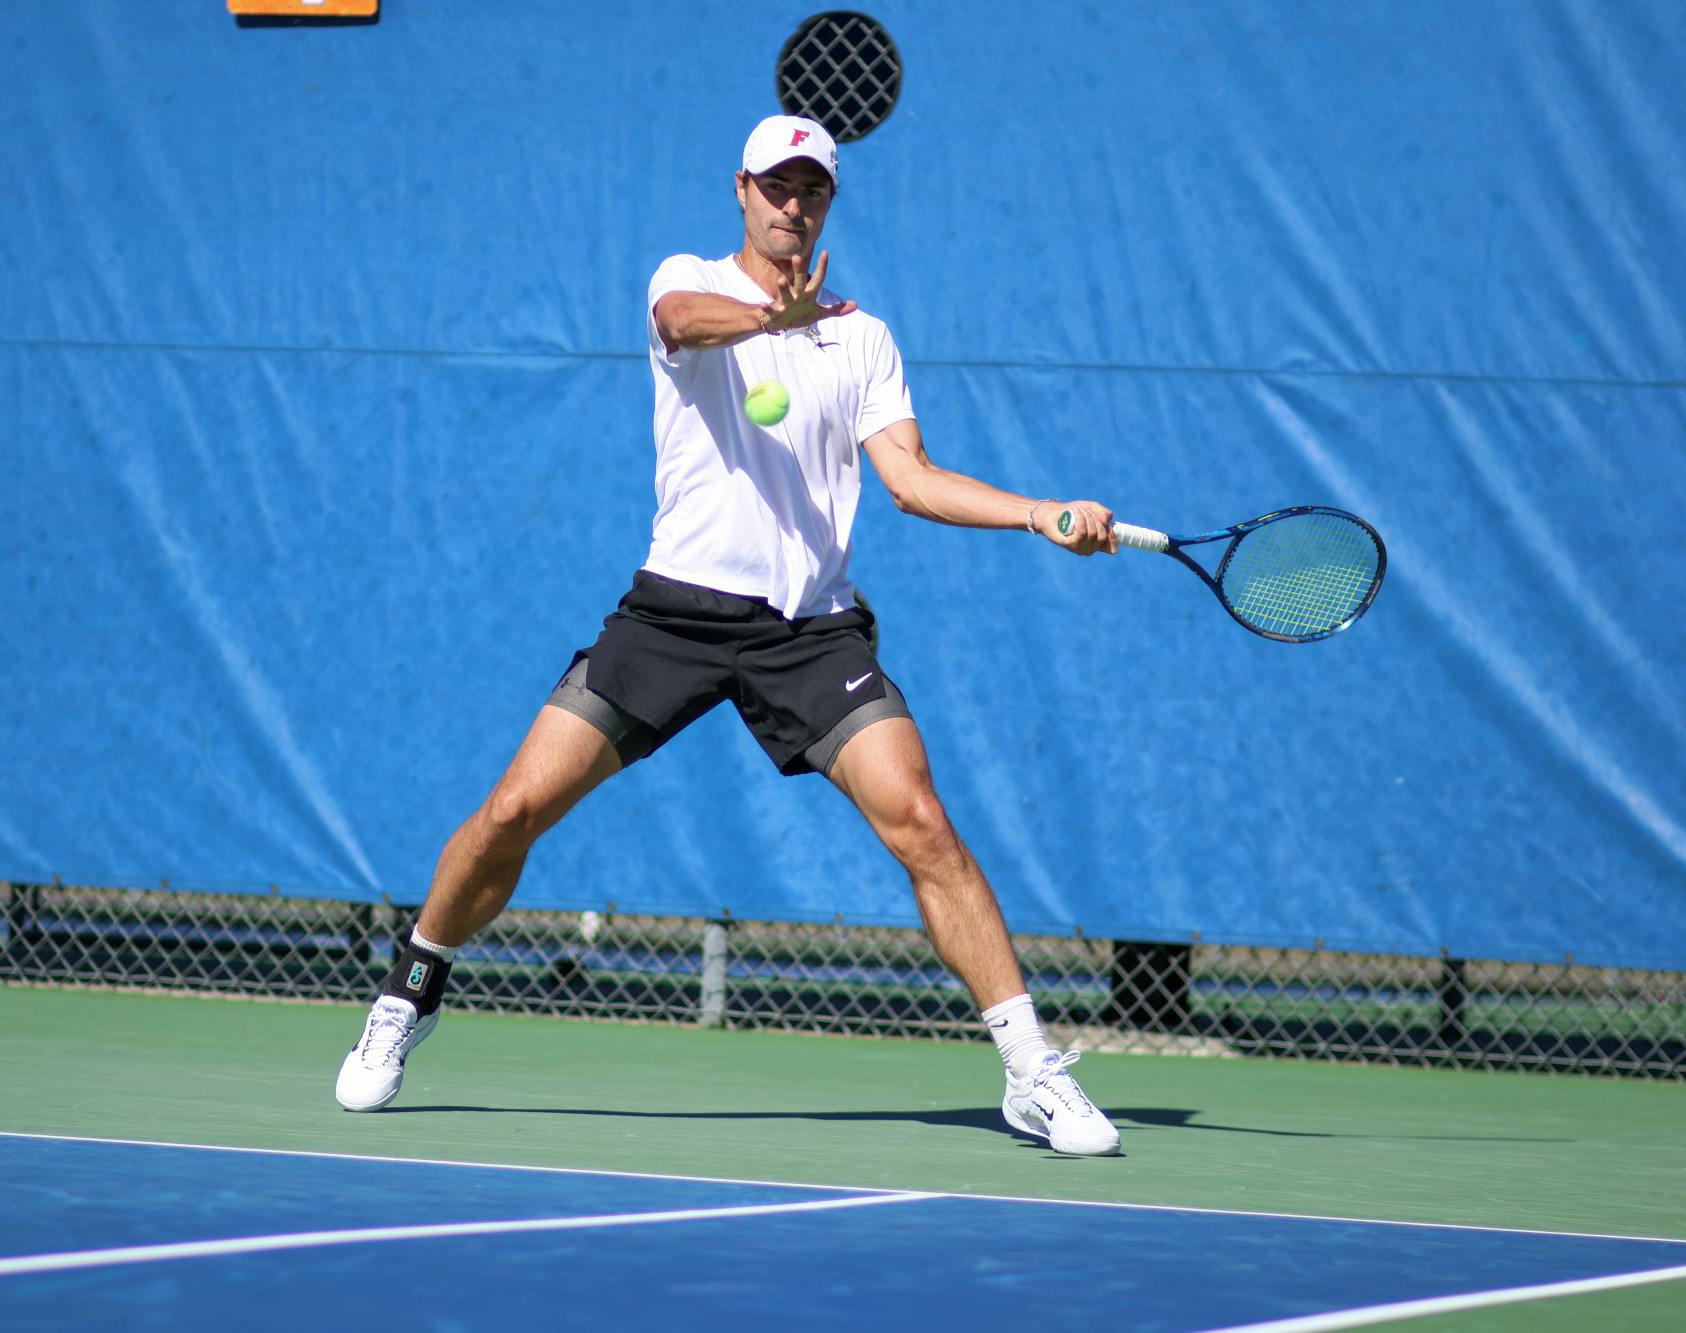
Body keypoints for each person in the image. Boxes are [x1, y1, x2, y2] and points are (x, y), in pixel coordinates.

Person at [336, 114, 1124, 1156]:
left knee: (921, 820)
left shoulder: (862, 337)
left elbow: (911, 479)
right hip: (673, 613)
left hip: (808, 632)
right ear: (741, 191)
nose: (793, 205)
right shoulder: (689, 279)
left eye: (812, 191)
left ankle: (1029, 1070)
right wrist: (767, 320)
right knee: (513, 806)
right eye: (776, 187)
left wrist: (1037, 512)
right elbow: (681, 320)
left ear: (828, 205)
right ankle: (411, 987)